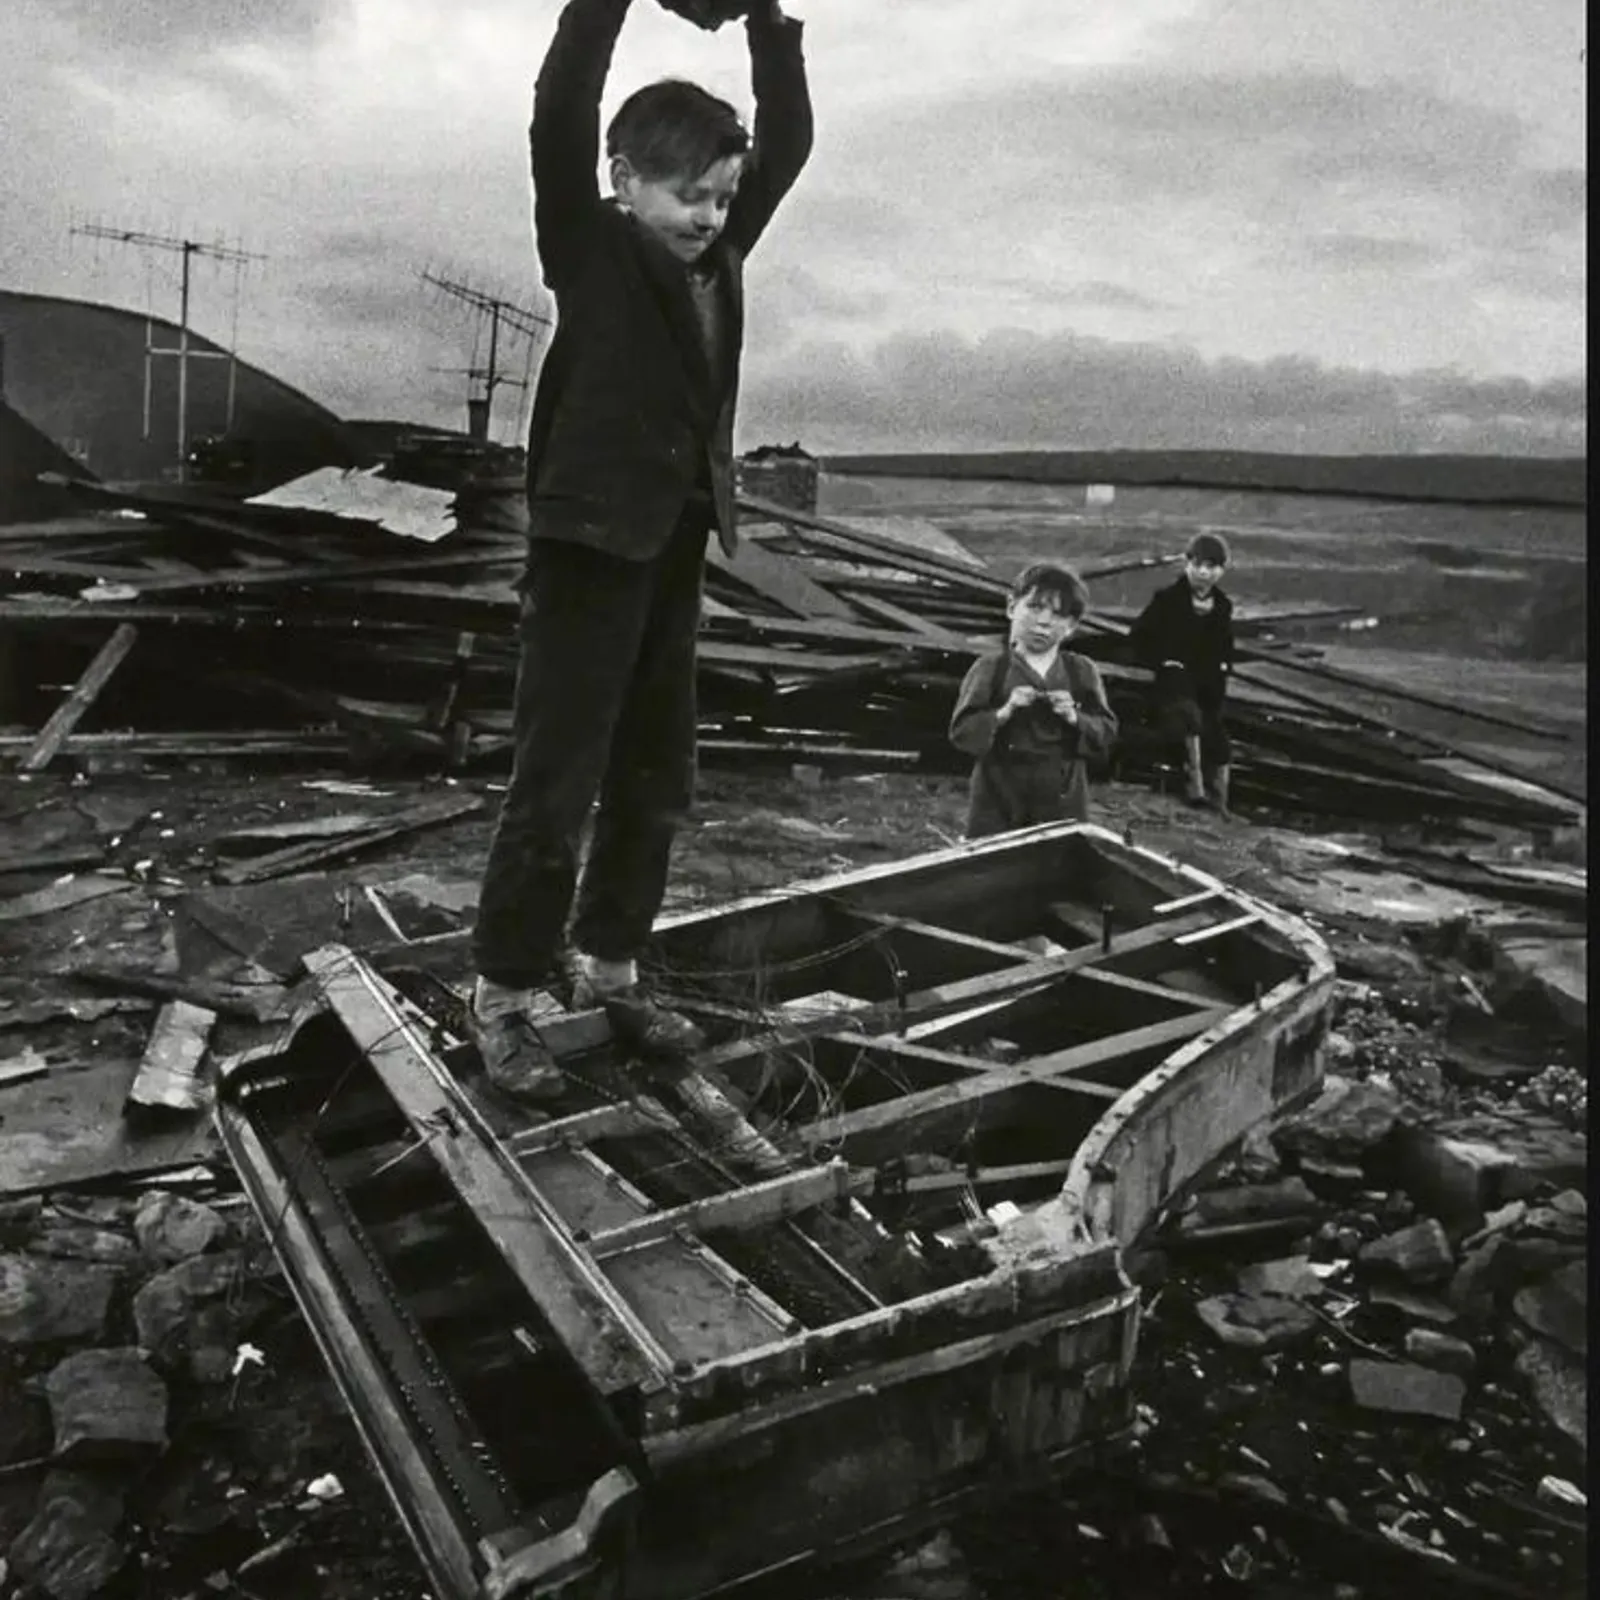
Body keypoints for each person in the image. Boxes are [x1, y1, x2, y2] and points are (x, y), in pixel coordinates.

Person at [468, 0, 813, 1102]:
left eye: (721, 196)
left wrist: (764, 18)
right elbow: (558, 108)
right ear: (622, 179)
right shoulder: (588, 245)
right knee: (556, 782)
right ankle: (506, 994)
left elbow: (789, 138)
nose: (709, 215)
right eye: (685, 195)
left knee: (657, 771)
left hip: (671, 543)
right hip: (587, 547)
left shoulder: (721, 253)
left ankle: (609, 962)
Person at [949, 562, 1119, 838]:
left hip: (1062, 797)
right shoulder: (992, 668)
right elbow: (961, 732)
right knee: (995, 868)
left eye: (1058, 614)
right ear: (1011, 607)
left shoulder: (1080, 671)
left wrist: (1075, 717)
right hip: (999, 798)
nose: (1043, 622)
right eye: (1034, 607)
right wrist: (1003, 713)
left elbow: (1107, 731)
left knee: (1055, 869)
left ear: (1071, 626)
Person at [1128, 531, 1236, 812]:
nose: (1202, 572)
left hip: (1207, 684)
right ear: (1187, 564)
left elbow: (1225, 646)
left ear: (1221, 571)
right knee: (1189, 717)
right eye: (1197, 565)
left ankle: (1220, 803)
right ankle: (1195, 788)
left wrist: (1223, 668)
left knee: (1219, 737)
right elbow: (1139, 637)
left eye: (1211, 567)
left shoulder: (1222, 606)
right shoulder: (1167, 600)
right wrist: (1163, 661)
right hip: (1173, 683)